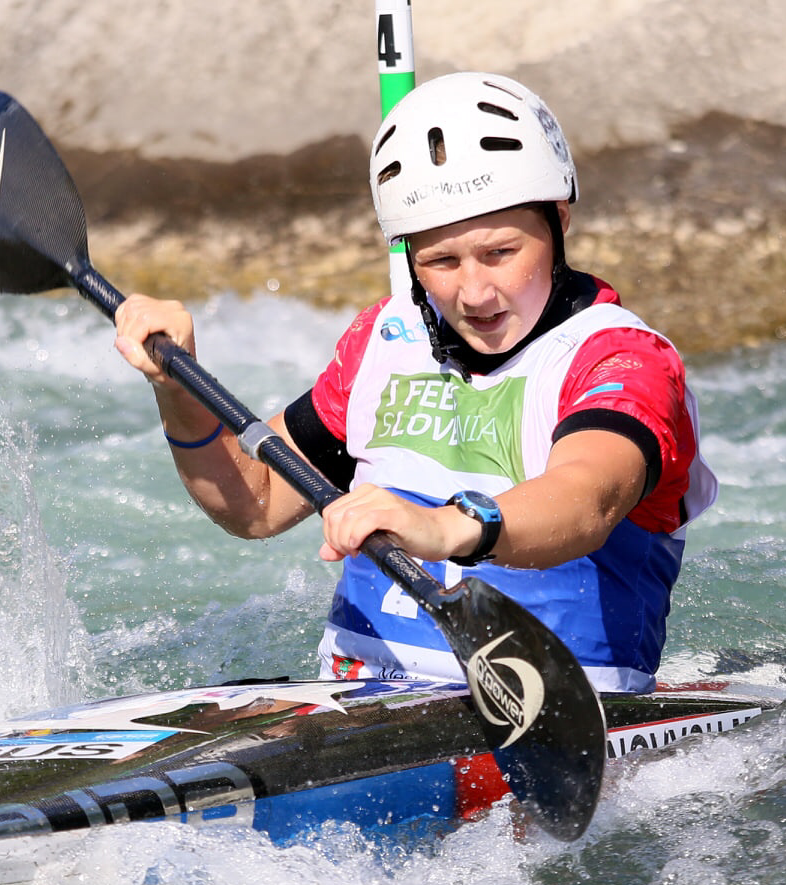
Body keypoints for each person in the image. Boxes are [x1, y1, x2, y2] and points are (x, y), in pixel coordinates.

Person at [113, 72, 717, 695]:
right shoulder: (384, 337)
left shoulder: (622, 358)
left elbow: (586, 498)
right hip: (355, 704)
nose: (475, 292)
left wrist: (450, 526)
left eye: (501, 252)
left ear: (558, 222)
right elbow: (255, 503)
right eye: (442, 262)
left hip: (556, 716)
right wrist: (176, 389)